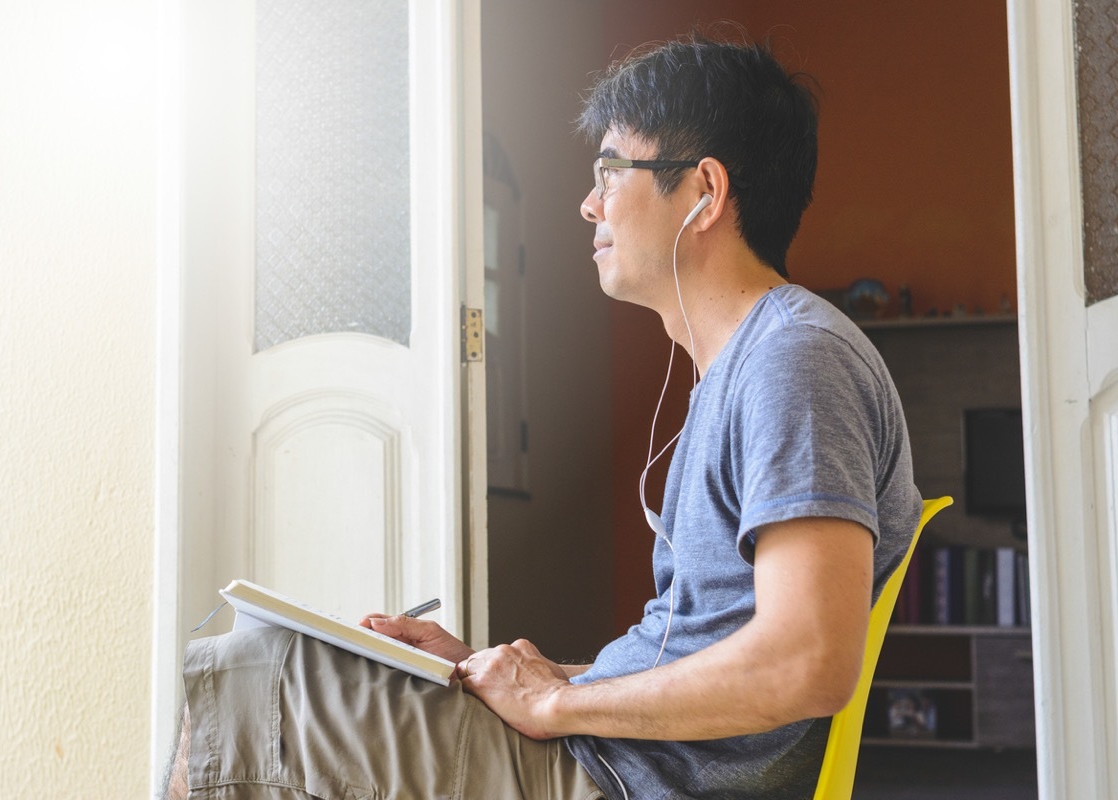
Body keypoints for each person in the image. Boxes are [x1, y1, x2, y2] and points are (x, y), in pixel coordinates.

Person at [163, 31, 921, 800]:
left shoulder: (793, 361)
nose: (588, 203)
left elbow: (807, 662)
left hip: (626, 781)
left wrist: (556, 703)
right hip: (614, 755)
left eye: (611, 171)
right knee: (289, 663)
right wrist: (502, 671)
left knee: (252, 679)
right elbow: (691, 653)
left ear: (703, 194)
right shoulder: (743, 368)